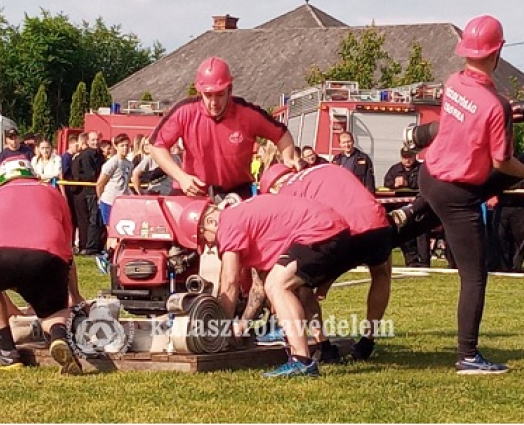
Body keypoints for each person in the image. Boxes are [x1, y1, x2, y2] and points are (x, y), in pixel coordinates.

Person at [419, 14, 524, 374]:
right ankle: (468, 355)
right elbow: (502, 161)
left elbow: (469, 119)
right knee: (474, 276)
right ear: (499, 50)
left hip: (429, 176)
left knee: (402, 230)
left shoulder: (453, 82)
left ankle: (399, 223)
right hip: (457, 192)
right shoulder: (497, 106)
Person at [180, 194, 351, 378]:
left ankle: (301, 361)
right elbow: (259, 286)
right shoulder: (241, 217)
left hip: (321, 231)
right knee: (279, 286)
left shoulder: (227, 223)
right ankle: (304, 355)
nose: (209, 246)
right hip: (330, 229)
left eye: (204, 238)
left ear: (211, 221)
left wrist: (220, 330)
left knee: (278, 286)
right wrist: (242, 325)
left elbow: (229, 282)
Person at [259, 163, 393, 361]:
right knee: (381, 272)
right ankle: (367, 341)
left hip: (343, 231)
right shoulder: (325, 167)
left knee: (297, 285)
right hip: (377, 221)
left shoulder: (287, 192)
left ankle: (323, 345)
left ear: (274, 188)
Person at [0, 157, 81, 372]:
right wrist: (74, 294)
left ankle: (7, 352)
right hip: (45, 257)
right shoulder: (51, 192)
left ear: (1, 179)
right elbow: (67, 248)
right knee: (53, 310)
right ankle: (58, 335)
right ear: (33, 174)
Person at [149, 56, 300, 200]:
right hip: (192, 191)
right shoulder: (185, 111)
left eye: (220, 94)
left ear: (230, 89)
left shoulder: (247, 114)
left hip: (237, 193)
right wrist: (181, 177)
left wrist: (287, 159)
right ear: (199, 92)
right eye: (208, 95)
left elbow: (281, 135)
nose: (214, 102)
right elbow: (156, 146)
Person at [383, 148, 430, 267]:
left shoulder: (423, 168)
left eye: (410, 157)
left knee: (422, 234)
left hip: (420, 208)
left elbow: (427, 183)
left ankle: (424, 261)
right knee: (405, 234)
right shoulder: (395, 169)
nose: (407, 160)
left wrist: (408, 184)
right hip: (402, 209)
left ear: (415, 156)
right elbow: (386, 183)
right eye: (405, 157)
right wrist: (394, 184)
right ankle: (411, 261)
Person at [96, 134, 133, 252]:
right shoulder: (112, 162)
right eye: (122, 146)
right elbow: (100, 183)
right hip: (109, 201)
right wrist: (100, 198)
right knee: (111, 232)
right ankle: (108, 256)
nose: (125, 148)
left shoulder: (129, 164)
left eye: (127, 146)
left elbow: (125, 184)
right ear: (116, 146)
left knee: (119, 232)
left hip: (121, 203)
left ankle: (114, 255)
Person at [71, 131, 106, 255]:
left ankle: (94, 246)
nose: (95, 142)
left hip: (96, 190)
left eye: (97, 139)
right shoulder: (86, 155)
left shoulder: (100, 155)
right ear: (87, 141)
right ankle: (89, 247)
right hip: (89, 191)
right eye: (93, 140)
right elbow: (90, 174)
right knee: (92, 219)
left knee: (96, 219)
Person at [493, 180, 524, 272]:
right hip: (502, 205)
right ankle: (503, 266)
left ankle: (516, 266)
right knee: (500, 236)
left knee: (520, 238)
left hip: (520, 206)